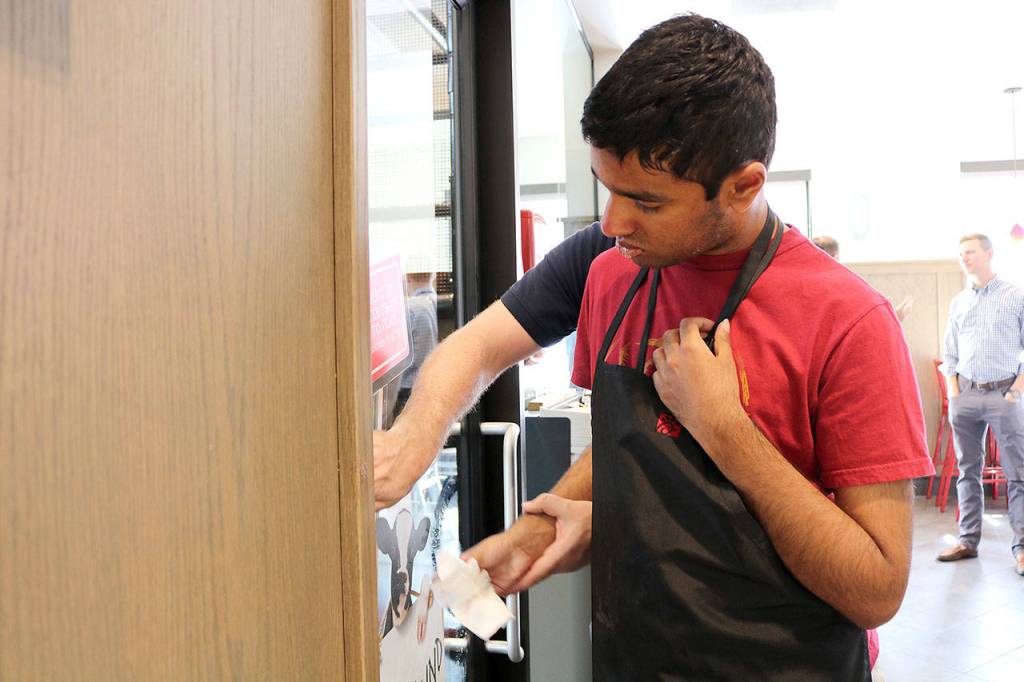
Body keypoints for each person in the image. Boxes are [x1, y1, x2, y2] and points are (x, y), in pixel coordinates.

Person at [375, 13, 931, 678]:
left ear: (745, 185)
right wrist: (549, 523)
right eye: (607, 189)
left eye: (647, 201)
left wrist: (726, 429)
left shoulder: (849, 320)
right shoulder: (614, 275)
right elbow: (627, 445)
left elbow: (875, 589)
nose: (612, 222)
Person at [937, 234, 1024, 576]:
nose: (965, 258)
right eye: (961, 254)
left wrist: (1016, 390)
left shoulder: (1015, 296)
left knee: (1017, 474)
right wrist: (954, 391)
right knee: (966, 472)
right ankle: (968, 540)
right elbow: (949, 352)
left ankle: (1021, 548)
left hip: (1004, 395)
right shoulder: (959, 301)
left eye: (970, 252)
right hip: (966, 396)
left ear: (989, 254)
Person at [392, 272, 438, 419]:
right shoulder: (432, 303)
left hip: (408, 390)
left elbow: (404, 359)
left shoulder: (411, 309)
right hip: (426, 386)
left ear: (408, 278)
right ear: (433, 276)